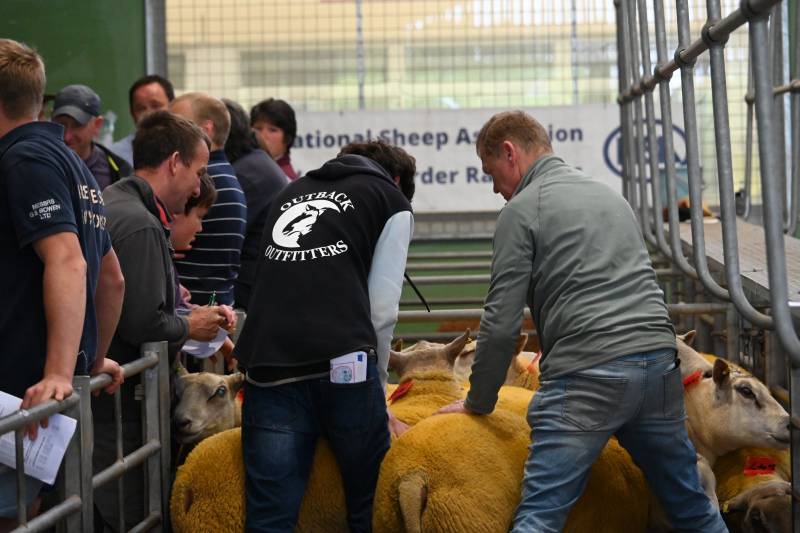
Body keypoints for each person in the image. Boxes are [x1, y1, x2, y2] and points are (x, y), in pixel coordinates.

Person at [436, 111, 727, 532]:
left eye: (490, 172)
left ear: (509, 152)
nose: (494, 186)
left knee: (539, 516)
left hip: (588, 377)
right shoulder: (609, 196)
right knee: (692, 508)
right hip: (659, 369)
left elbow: (500, 324)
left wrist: (477, 401)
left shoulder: (521, 211)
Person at [234, 140, 415, 532]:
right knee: (367, 502)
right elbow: (382, 311)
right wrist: (378, 390)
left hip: (269, 365)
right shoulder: (391, 200)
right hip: (344, 365)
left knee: (269, 514)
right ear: (397, 180)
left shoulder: (288, 192)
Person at [0, 38, 124, 527]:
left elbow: (72, 263)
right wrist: (89, 363)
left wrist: (57, 374)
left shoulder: (24, 161)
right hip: (37, 397)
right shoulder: (72, 163)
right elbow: (112, 279)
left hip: (18, 396)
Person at [92, 110, 234, 529]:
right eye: (198, 170)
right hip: (118, 411)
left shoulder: (114, 201)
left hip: (110, 404)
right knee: (130, 513)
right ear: (175, 162)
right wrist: (191, 325)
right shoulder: (140, 224)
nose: (197, 185)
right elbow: (143, 324)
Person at [171, 93, 247, 307]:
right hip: (211, 307)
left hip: (196, 316)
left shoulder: (203, 180)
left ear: (205, 130)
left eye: (179, 126)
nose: (169, 135)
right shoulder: (227, 176)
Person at [222, 98, 288, 310]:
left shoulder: (245, 175)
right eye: (259, 128)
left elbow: (217, 240)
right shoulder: (254, 164)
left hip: (249, 293)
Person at [51, 84, 131, 189]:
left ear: (97, 125)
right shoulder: (37, 166)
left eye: (77, 125)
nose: (67, 136)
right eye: (61, 125)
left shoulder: (120, 173)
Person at [110, 75, 174, 167]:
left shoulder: (188, 149)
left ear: (172, 107)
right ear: (132, 114)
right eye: (140, 108)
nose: (149, 114)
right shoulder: (115, 155)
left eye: (156, 105)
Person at [250, 97, 298, 180]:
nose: (262, 135)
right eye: (258, 128)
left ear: (287, 138)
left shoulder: (287, 180)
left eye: (272, 130)